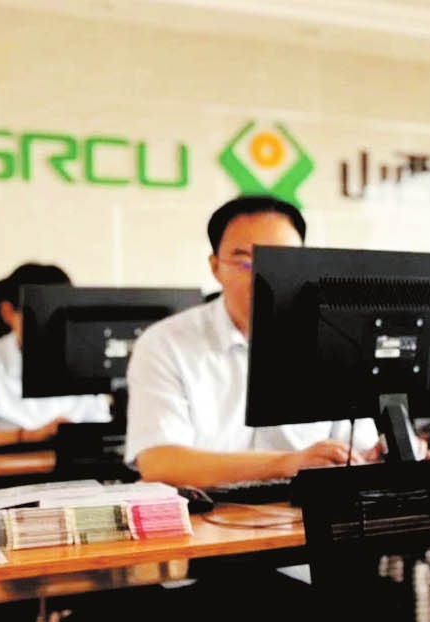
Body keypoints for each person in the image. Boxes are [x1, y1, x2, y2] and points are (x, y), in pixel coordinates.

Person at [124, 195, 382, 485]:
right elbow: (160, 462)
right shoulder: (165, 343)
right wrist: (287, 463)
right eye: (244, 262)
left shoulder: (337, 339)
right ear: (215, 267)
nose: (262, 275)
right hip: (208, 510)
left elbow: (358, 450)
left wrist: (386, 453)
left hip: (308, 506)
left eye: (281, 260)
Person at [0, 263, 112, 444]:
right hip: (8, 461)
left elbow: (103, 428)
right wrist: (26, 436)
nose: (51, 322)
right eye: (40, 312)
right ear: (8, 312)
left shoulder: (87, 363)